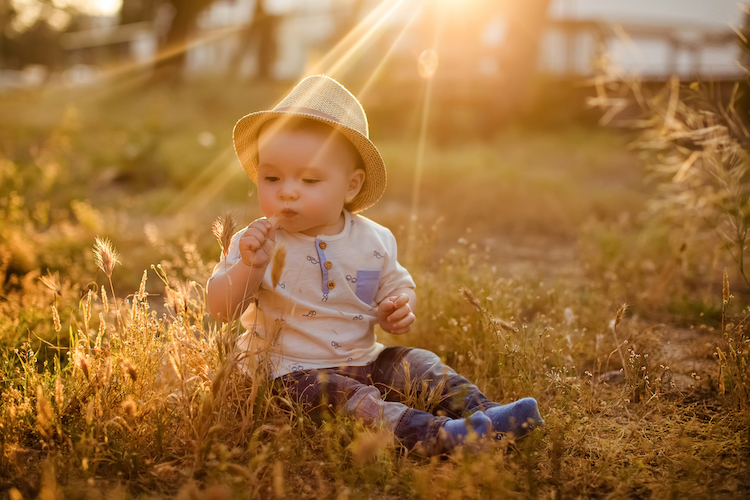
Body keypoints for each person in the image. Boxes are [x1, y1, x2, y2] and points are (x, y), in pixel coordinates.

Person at [207, 75, 543, 455]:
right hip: (289, 375)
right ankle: (440, 435)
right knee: (350, 402)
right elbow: (221, 309)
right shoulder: (257, 243)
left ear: (351, 186)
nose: (287, 190)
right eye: (271, 177)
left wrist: (400, 307)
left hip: (364, 359)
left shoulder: (374, 239)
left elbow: (398, 286)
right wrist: (249, 268)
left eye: (310, 179)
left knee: (421, 363)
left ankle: (489, 416)